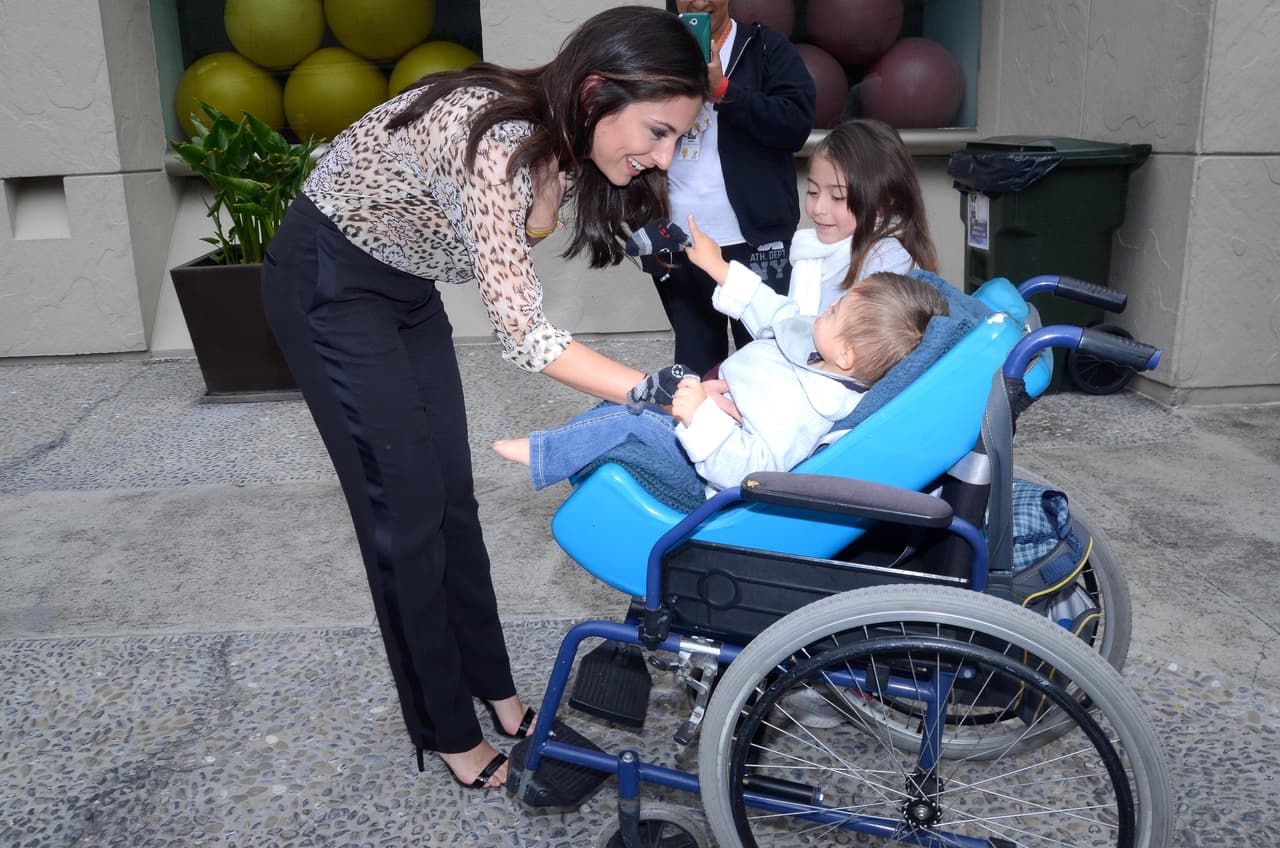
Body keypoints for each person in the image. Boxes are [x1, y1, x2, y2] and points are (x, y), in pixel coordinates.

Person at [260, 6, 709, 791]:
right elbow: (526, 336)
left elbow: (492, 245)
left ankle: (496, 693)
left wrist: (543, 209)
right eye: (659, 131)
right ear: (600, 89)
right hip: (328, 282)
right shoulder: (496, 138)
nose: (662, 156)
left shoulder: (556, 142)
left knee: (451, 504)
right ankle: (447, 730)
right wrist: (660, 392)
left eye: (678, 139)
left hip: (403, 288)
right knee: (405, 514)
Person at [494, 216, 949, 493]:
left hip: (706, 467)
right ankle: (574, 450)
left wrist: (698, 416)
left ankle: (545, 453)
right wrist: (716, 265)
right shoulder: (820, 349)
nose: (825, 308)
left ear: (847, 355)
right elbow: (777, 312)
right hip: (710, 410)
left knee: (629, 422)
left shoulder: (812, 407)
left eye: (835, 311)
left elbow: (752, 470)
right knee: (618, 402)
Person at [648, 0, 816, 376]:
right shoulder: (655, 50)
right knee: (695, 363)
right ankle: (702, 434)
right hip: (678, 240)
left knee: (766, 361)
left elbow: (795, 125)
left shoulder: (766, 47)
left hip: (755, 239)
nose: (700, 1)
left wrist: (723, 89)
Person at [789, 118, 940, 317]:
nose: (818, 208)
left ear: (882, 204)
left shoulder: (889, 262)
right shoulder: (810, 249)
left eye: (837, 197)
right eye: (812, 192)